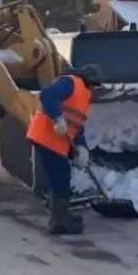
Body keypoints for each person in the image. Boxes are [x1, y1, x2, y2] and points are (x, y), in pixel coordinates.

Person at [26, 64, 104, 235]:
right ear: (89, 81)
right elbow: (48, 94)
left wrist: (82, 148)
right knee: (60, 176)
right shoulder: (71, 83)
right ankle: (59, 221)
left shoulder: (85, 95)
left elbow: (76, 125)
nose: (95, 90)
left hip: (56, 141)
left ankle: (61, 216)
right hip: (46, 136)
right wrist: (57, 118)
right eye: (95, 86)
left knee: (61, 175)